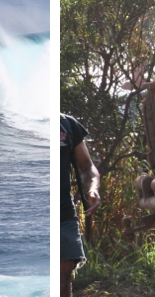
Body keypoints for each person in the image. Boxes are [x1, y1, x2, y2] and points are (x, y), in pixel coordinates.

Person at [60, 114, 101, 297]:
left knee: (63, 275)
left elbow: (86, 167)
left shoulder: (67, 124)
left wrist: (93, 188)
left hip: (63, 212)